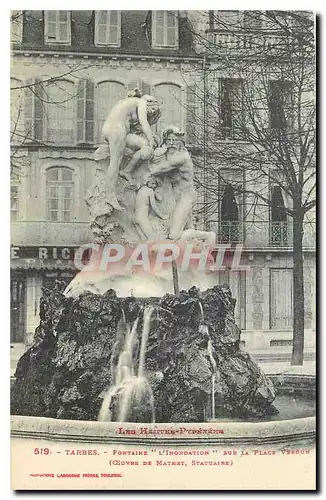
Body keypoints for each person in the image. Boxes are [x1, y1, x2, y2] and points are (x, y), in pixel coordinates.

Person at [94, 89, 161, 211]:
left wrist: (150, 139)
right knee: (115, 163)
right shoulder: (141, 102)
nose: (150, 112)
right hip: (116, 129)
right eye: (152, 110)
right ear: (149, 103)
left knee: (144, 145)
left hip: (117, 131)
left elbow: (138, 127)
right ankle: (110, 196)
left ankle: (126, 171)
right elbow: (144, 122)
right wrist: (151, 139)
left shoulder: (130, 104)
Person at [148, 126, 197, 240]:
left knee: (174, 234)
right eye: (168, 140)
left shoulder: (181, 157)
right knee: (188, 227)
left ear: (180, 142)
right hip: (176, 196)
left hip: (186, 195)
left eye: (174, 140)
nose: (171, 143)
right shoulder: (173, 156)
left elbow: (156, 170)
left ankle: (209, 236)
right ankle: (196, 249)